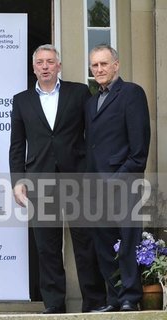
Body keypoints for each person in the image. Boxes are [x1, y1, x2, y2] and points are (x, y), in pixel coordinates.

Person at [9, 44, 106, 314]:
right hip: (39, 182)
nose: (45, 66)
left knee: (85, 243)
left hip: (77, 179)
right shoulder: (21, 100)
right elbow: (17, 145)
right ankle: (53, 305)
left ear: (58, 66)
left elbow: (93, 135)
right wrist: (18, 181)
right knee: (47, 247)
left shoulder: (79, 93)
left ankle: (95, 303)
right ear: (33, 67)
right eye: (40, 62)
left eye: (50, 61)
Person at [85, 44, 150, 312]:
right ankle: (114, 298)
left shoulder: (131, 93)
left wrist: (116, 179)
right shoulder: (91, 102)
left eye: (103, 64)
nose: (99, 69)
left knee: (128, 242)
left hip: (124, 183)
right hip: (96, 186)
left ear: (116, 65)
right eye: (94, 65)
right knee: (102, 246)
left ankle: (130, 298)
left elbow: (139, 150)